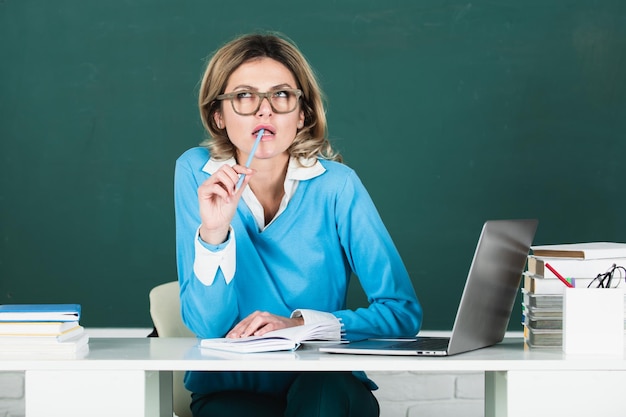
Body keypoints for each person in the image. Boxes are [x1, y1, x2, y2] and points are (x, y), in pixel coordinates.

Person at [174, 32, 423, 417]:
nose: (264, 112)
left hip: (325, 386)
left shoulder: (337, 185)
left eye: (281, 95)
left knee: (320, 396)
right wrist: (215, 233)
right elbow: (209, 325)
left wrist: (298, 324)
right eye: (244, 96)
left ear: (302, 113)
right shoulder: (196, 172)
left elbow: (401, 313)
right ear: (218, 115)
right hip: (233, 386)